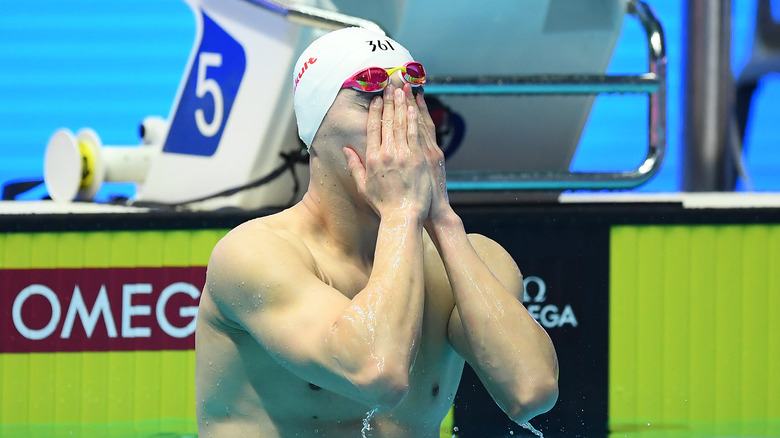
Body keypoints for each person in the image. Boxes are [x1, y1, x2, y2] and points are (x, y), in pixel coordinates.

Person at [195, 27, 558, 437]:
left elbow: (532, 393)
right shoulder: (256, 254)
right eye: (372, 98)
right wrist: (403, 212)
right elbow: (377, 372)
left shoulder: (470, 260)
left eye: (413, 94)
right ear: (316, 126)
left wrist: (441, 220)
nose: (399, 118)